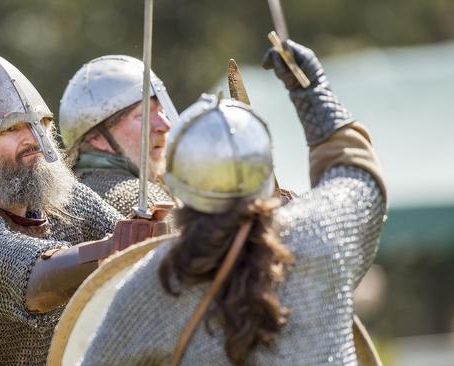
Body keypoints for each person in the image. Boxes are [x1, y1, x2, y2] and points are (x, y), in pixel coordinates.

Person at [77, 40, 387, 365]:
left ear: (180, 185)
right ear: (265, 170)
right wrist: (314, 97)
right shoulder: (320, 236)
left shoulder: (157, 284)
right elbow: (356, 177)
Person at [0, 45, 159, 365]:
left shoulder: (68, 203)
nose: (34, 139)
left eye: (41, 125)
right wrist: (110, 251)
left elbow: (136, 250)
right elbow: (33, 282)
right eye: (12, 129)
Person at [59, 55, 178, 217]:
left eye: (161, 111)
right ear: (96, 137)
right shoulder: (141, 200)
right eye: (143, 115)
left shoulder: (62, 200)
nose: (165, 126)